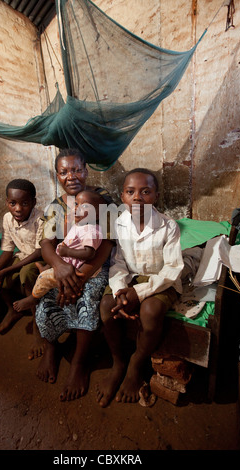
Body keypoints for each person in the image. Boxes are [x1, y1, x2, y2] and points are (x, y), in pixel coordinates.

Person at [96, 168, 184, 407]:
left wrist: (140, 293)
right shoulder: (119, 224)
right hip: (131, 277)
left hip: (160, 280)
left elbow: (172, 269)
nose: (137, 197)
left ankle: (136, 364)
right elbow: (118, 263)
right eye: (130, 192)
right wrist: (120, 291)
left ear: (155, 195)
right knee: (106, 305)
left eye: (145, 191)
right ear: (123, 197)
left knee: (150, 311)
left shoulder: (169, 226)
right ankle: (118, 362)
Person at [35, 148, 115, 401]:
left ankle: (79, 363)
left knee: (89, 299)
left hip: (92, 267)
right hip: (65, 262)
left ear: (86, 170)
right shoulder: (54, 206)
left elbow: (109, 242)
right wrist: (59, 267)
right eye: (64, 171)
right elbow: (46, 243)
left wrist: (80, 277)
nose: (71, 176)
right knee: (46, 296)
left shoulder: (102, 198)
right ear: (57, 176)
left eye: (77, 169)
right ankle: (51, 346)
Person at [13, 189, 105, 312]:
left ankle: (34, 298)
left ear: (97, 214)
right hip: (65, 260)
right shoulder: (78, 224)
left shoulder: (92, 231)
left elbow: (89, 253)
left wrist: (67, 252)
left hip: (74, 267)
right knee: (47, 268)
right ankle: (46, 270)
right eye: (76, 204)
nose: (77, 208)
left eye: (85, 206)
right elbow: (61, 239)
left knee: (43, 279)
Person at [0, 178, 45, 360]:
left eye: (24, 203)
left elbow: (39, 252)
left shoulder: (41, 219)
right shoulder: (8, 218)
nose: (18, 208)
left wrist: (6, 272)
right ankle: (12, 309)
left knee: (26, 274)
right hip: (20, 258)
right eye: (13, 203)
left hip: (38, 260)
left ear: (33, 202)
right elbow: (8, 251)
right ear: (7, 203)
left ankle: (37, 325)